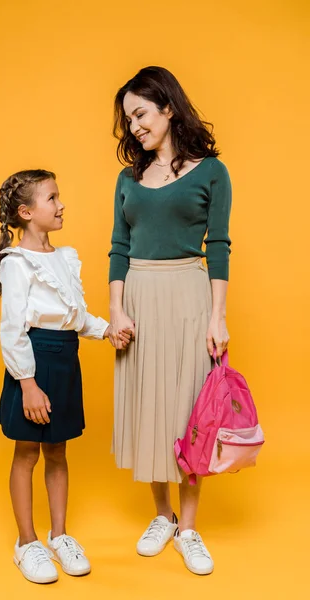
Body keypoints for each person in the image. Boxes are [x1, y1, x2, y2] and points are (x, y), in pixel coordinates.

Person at [108, 66, 232, 575]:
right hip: (137, 294)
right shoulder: (128, 178)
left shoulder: (212, 172)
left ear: (169, 108)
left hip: (188, 295)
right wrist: (116, 307)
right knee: (150, 406)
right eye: (128, 119)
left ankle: (188, 528)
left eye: (140, 113)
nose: (133, 126)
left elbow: (219, 246)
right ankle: (161, 514)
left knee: (189, 412)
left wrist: (218, 317)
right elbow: (118, 246)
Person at [0, 169, 131, 584]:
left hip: (66, 360)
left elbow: (72, 316)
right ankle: (27, 542)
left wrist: (106, 329)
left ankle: (60, 535)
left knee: (57, 452)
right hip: (33, 362)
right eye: (52, 198)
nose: (61, 204)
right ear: (27, 212)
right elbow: (12, 328)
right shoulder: (16, 263)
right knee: (27, 453)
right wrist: (28, 384)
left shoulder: (65, 257)